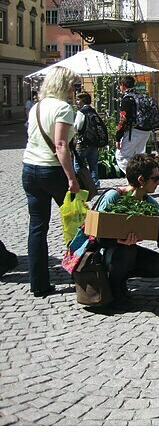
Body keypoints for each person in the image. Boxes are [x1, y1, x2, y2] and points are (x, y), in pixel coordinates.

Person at [93, 153, 159, 310]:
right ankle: (113, 287)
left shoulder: (150, 204)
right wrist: (118, 240)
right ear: (141, 180)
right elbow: (95, 236)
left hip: (125, 251)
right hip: (102, 253)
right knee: (127, 250)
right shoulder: (113, 197)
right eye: (155, 178)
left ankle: (121, 279)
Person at [22, 65, 81, 298]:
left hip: (29, 169)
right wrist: (72, 178)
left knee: (37, 227)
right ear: (65, 85)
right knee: (78, 223)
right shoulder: (63, 108)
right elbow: (60, 145)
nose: (74, 89)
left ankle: (38, 283)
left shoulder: (37, 107)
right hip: (52, 171)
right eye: (73, 85)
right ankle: (82, 273)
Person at [115, 76, 155, 175]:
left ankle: (136, 178)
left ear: (123, 85)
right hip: (146, 131)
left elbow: (123, 119)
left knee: (121, 157)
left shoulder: (127, 99)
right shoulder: (141, 96)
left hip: (134, 131)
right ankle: (144, 177)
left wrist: (118, 137)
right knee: (139, 158)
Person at [73, 91, 101, 189]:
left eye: (78, 100)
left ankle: (80, 183)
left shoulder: (81, 112)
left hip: (83, 142)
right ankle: (95, 183)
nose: (77, 102)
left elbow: (77, 126)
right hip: (93, 141)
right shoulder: (93, 111)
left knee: (78, 163)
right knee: (93, 164)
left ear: (82, 101)